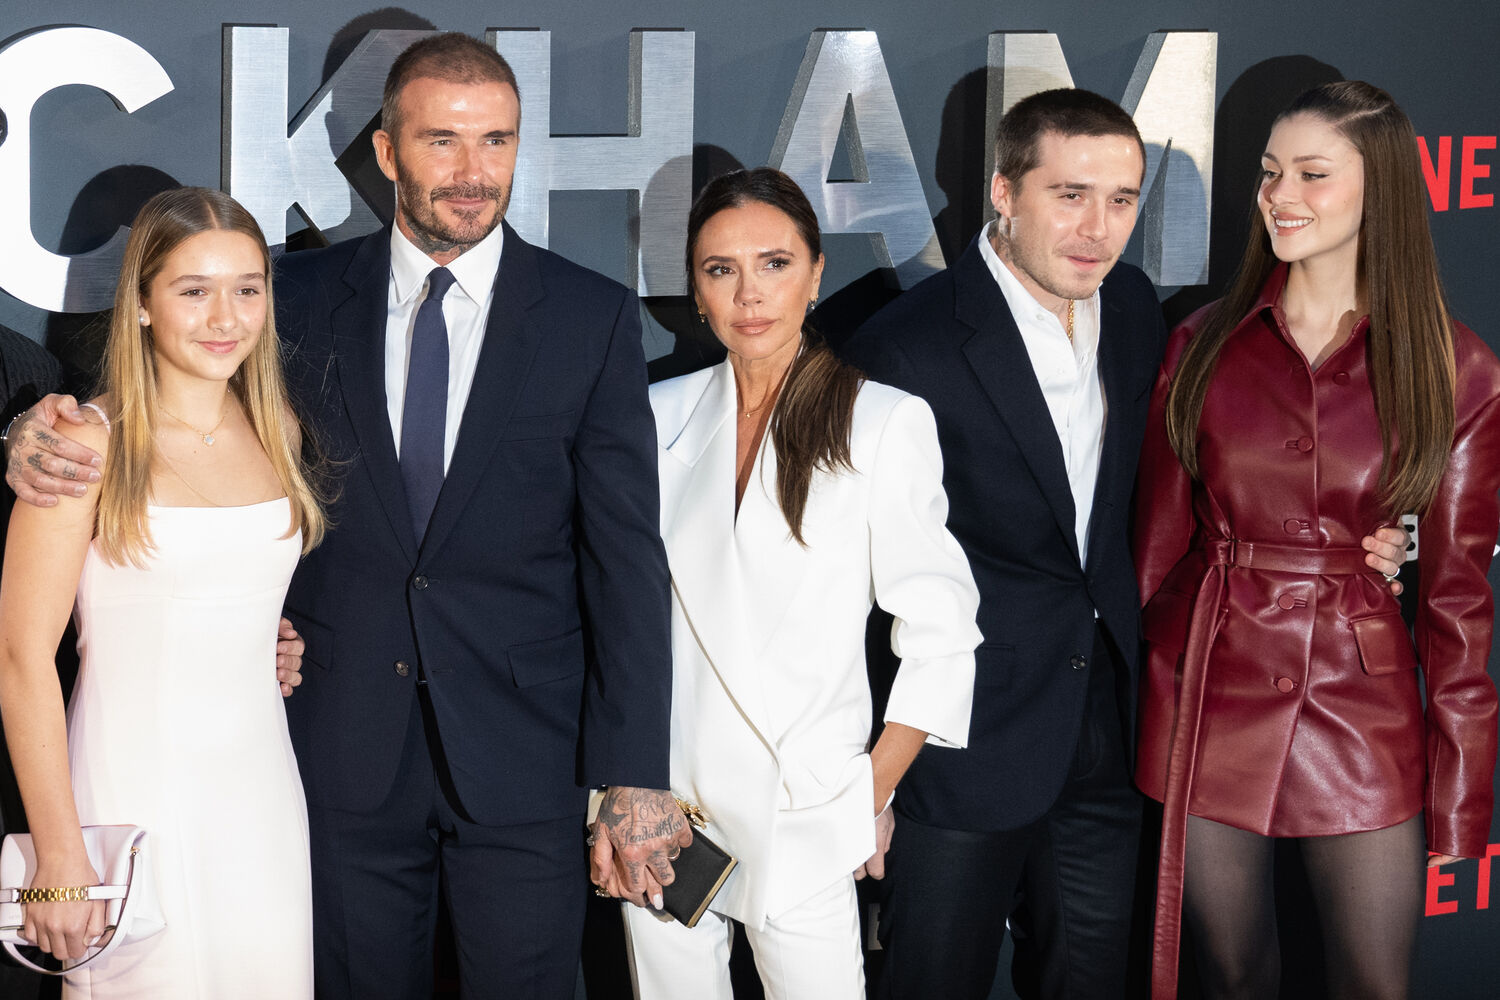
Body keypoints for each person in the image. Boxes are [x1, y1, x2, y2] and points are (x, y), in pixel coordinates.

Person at [5, 32, 687, 999]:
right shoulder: (288, 300)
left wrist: (635, 769)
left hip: (522, 756)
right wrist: (30, 430)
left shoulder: (593, 317)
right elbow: (161, 404)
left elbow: (626, 561)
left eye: (495, 140)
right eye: (443, 140)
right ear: (386, 152)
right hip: (332, 753)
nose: (473, 170)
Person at [841, 88, 1411, 1000]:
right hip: (957, 749)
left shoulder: (1140, 311)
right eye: (1069, 195)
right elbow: (848, 584)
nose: (1097, 228)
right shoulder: (904, 349)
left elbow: (1220, 476)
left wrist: (1382, 536)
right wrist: (868, 779)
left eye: (1120, 200)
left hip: (1110, 737)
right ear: (1003, 192)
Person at [1133, 80, 1500, 1000]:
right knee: (1231, 976)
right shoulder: (1200, 342)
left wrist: (1460, 796)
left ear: (1381, 188)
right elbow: (1155, 554)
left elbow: (1458, 602)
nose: (1279, 195)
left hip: (1362, 703)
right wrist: (1159, 686)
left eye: (1311, 173)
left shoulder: (1455, 365)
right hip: (1211, 693)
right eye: (1270, 172)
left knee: (1375, 985)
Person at [617, 168, 981, 998]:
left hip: (805, 812)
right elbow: (616, 618)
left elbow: (943, 633)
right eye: (720, 269)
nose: (749, 294)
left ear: (816, 273)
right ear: (694, 289)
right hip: (665, 806)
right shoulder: (654, 415)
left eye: (774, 264)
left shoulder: (880, 421)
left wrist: (868, 793)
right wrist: (618, 790)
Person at [0, 186, 326, 997]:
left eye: (246, 289)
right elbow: (21, 660)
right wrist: (59, 854)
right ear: (142, 304)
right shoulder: (85, 443)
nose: (225, 318)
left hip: (262, 795)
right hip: (128, 789)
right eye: (193, 290)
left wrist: (266, 639)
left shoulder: (278, 429)